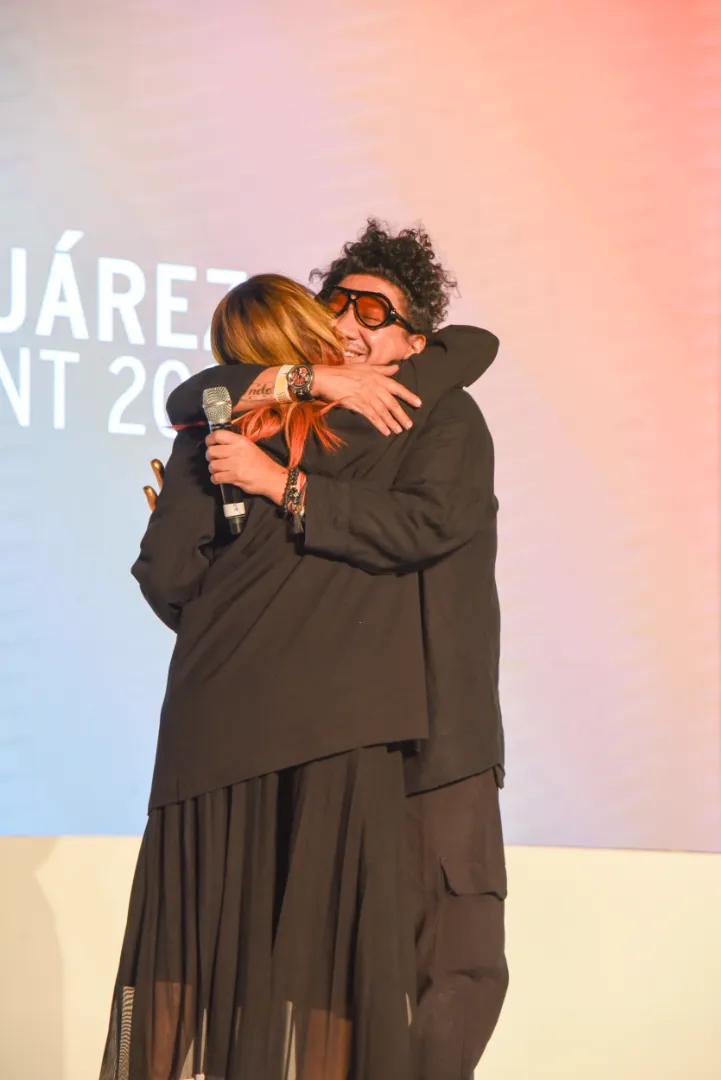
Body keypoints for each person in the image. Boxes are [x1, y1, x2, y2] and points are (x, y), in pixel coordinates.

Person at [100, 270, 490, 1080]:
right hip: (337, 727)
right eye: (333, 307)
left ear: (412, 340)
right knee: (326, 964)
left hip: (258, 723)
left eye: (373, 312)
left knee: (191, 943)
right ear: (306, 338)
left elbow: (169, 573)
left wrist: (266, 482)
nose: (348, 322)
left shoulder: (246, 426)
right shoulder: (327, 422)